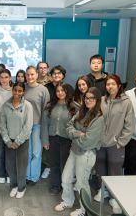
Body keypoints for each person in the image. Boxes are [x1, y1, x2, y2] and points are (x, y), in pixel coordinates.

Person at [54, 87, 104, 216]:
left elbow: (87, 142)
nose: (88, 100)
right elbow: (69, 126)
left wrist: (74, 138)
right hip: (74, 152)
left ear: (97, 100)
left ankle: (84, 209)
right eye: (86, 98)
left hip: (86, 154)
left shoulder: (99, 118)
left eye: (91, 98)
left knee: (82, 183)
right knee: (65, 179)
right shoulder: (81, 111)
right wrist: (78, 134)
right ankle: (68, 201)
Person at [93, 74, 135, 214]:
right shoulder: (102, 100)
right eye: (108, 84)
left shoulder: (126, 102)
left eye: (113, 84)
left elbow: (129, 126)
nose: (110, 86)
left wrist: (120, 142)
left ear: (119, 86)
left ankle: (114, 198)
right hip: (100, 143)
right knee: (100, 168)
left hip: (115, 144)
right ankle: (102, 190)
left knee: (114, 170)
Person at [0, 82, 33, 199]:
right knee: (10, 165)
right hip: (9, 141)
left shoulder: (27, 106)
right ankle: (13, 185)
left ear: (23, 92)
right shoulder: (5, 106)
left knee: (21, 166)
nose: (17, 93)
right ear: (12, 90)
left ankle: (21, 187)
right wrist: (8, 141)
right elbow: (2, 126)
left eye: (20, 91)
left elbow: (28, 127)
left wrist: (18, 142)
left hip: (22, 141)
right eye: (15, 90)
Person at [41, 83, 74, 195]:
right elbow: (44, 124)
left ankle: (66, 187)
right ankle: (55, 185)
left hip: (67, 141)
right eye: (58, 91)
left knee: (65, 165)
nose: (60, 93)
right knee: (54, 164)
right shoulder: (50, 106)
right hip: (53, 139)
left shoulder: (74, 107)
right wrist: (45, 140)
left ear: (67, 92)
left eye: (62, 91)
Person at [24, 66, 50, 184]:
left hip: (37, 125)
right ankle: (27, 176)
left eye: (32, 74)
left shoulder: (43, 90)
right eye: (28, 74)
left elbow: (46, 111)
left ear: (37, 75)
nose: (30, 77)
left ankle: (33, 177)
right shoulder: (22, 88)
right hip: (25, 126)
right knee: (27, 153)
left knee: (36, 153)